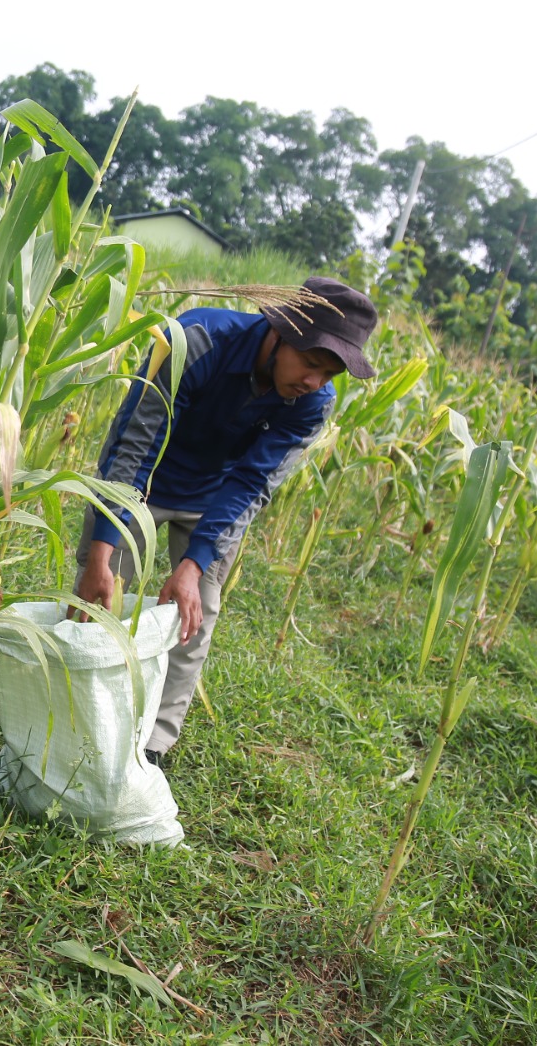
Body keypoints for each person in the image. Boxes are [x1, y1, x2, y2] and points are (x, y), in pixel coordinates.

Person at [72, 277, 378, 769]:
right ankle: (77, 716)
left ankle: (154, 744)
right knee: (96, 600)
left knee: (195, 615)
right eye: (311, 365)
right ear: (279, 333)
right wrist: (103, 552)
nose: (314, 383)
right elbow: (133, 447)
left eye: (329, 375)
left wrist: (194, 565)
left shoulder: (312, 403)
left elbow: (251, 484)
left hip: (211, 501)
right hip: (141, 486)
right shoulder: (190, 343)